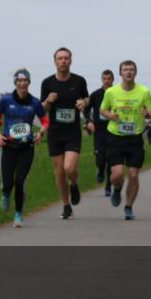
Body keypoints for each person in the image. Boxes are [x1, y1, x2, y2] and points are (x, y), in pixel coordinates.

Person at [0, 69, 49, 228]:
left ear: (29, 83)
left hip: (26, 147)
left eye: (25, 81)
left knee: (20, 182)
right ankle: (5, 193)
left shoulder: (35, 103)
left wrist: (41, 133)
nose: (22, 84)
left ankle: (18, 214)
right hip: (8, 146)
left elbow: (45, 121)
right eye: (19, 81)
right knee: (7, 183)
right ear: (15, 83)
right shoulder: (6, 100)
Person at [100, 59, 151, 221]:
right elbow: (103, 110)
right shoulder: (111, 92)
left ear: (135, 73)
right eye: (125, 70)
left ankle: (128, 207)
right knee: (116, 175)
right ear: (120, 73)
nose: (128, 72)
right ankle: (117, 189)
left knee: (133, 174)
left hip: (135, 137)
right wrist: (109, 115)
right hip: (115, 137)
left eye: (131, 69)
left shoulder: (144, 91)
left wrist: (147, 114)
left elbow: (150, 111)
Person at [40, 47, 90, 219]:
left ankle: (74, 183)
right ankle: (66, 205)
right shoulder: (47, 83)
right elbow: (42, 109)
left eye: (66, 58)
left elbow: (87, 99)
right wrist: (48, 100)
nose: (63, 61)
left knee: (69, 168)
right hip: (55, 132)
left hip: (72, 132)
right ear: (55, 61)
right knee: (59, 171)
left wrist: (83, 102)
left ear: (71, 61)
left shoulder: (79, 81)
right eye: (60, 58)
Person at [84, 69, 115, 197]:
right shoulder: (96, 95)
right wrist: (89, 121)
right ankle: (100, 171)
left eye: (109, 79)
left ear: (113, 80)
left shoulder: (117, 93)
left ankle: (108, 186)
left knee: (111, 160)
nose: (107, 81)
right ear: (102, 80)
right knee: (100, 158)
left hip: (113, 131)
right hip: (99, 131)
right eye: (105, 79)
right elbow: (86, 110)